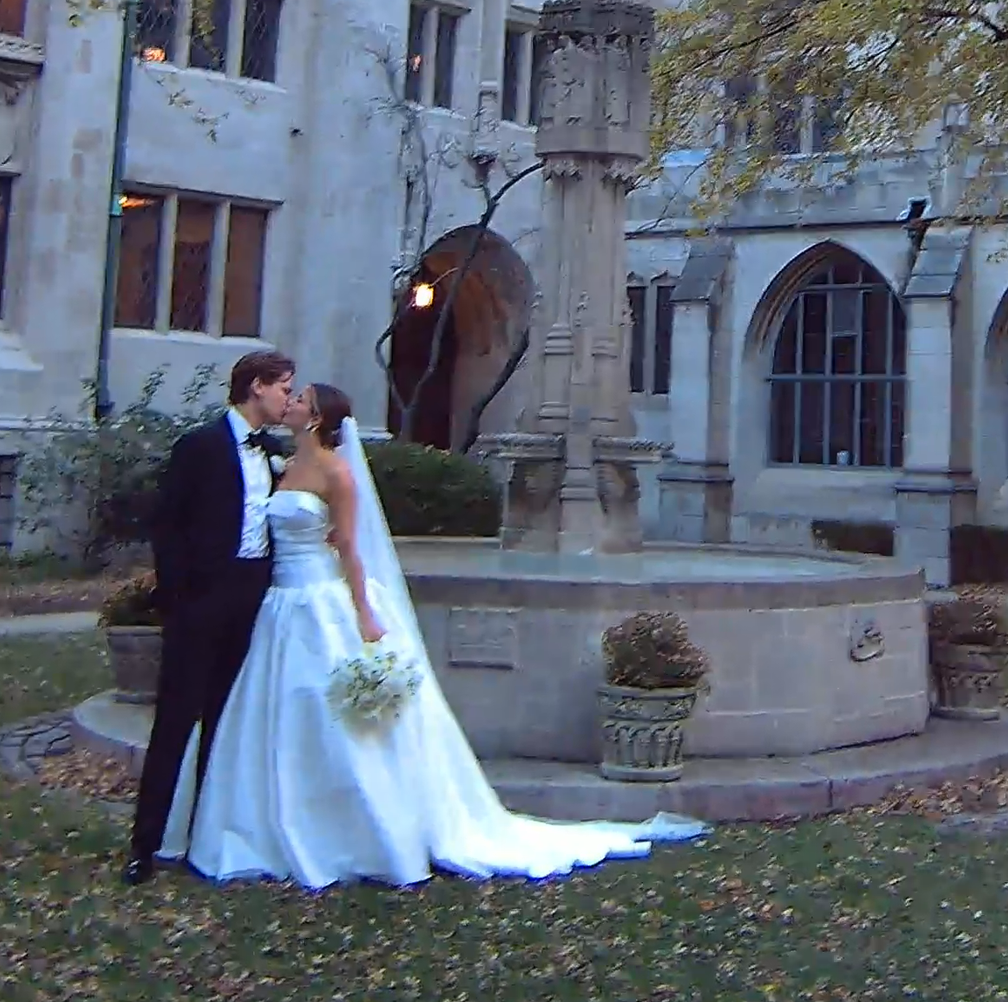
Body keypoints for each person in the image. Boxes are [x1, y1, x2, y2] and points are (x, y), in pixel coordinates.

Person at [158, 382, 705, 888]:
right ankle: (266, 822)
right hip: (277, 604)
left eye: (299, 398)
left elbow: (349, 548)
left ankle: (352, 831)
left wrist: (364, 614)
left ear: (316, 417)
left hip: (319, 603)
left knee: (327, 714)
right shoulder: (279, 465)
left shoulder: (336, 474)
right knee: (273, 712)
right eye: (290, 393)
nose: (290, 402)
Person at [123, 349, 296, 886]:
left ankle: (205, 835)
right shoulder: (200, 446)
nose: (288, 398)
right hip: (201, 599)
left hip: (253, 598)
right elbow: (167, 524)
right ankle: (144, 845)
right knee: (177, 719)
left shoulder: (274, 451)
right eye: (284, 388)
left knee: (227, 721)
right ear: (257, 386)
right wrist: (180, 594)